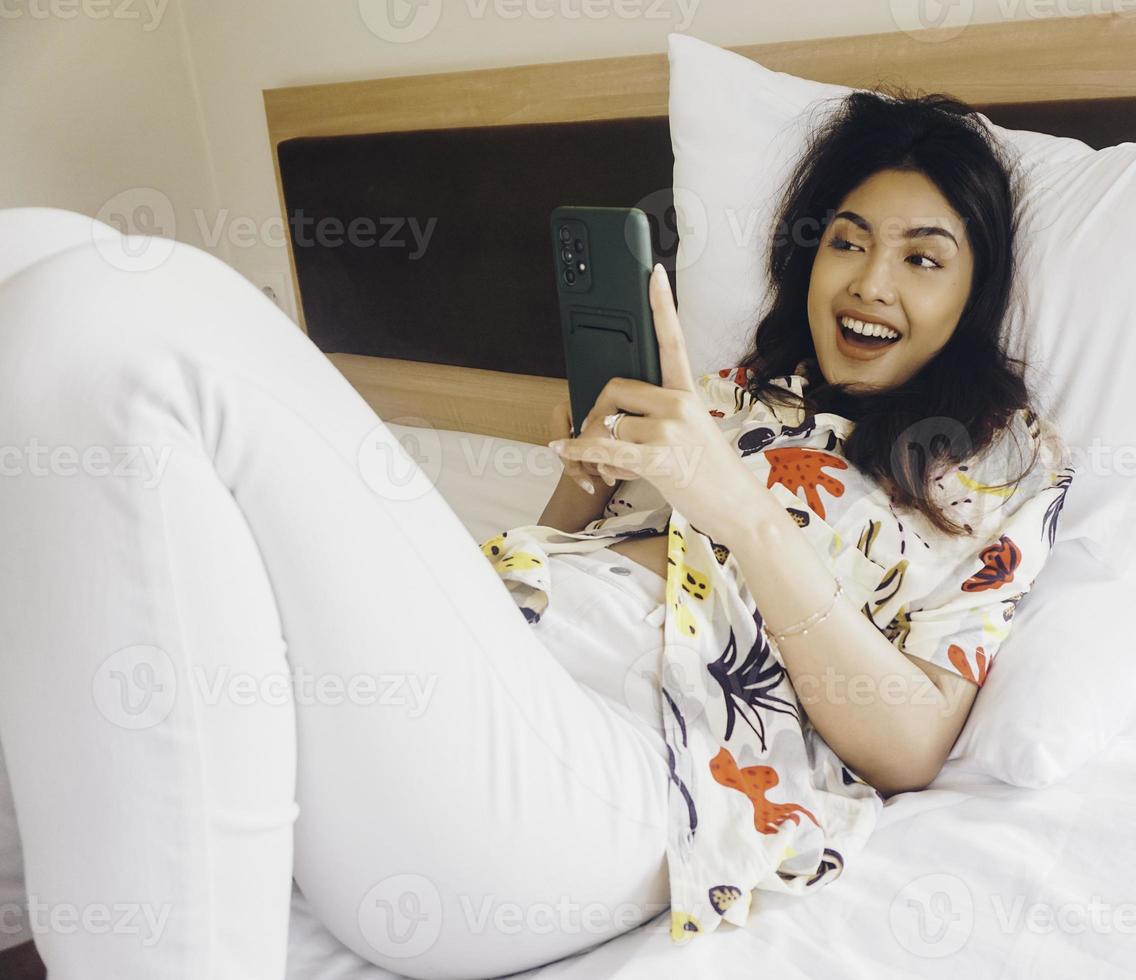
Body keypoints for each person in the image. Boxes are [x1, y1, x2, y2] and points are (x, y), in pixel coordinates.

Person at [0, 89, 1068, 980]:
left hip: (632, 764)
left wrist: (735, 507)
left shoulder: (997, 456)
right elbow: (568, 561)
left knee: (107, 304)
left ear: (976, 288)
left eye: (924, 258)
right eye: (848, 240)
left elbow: (917, 740)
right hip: (483, 672)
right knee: (36, 250)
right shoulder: (733, 388)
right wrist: (586, 489)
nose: (873, 280)